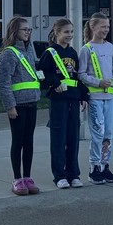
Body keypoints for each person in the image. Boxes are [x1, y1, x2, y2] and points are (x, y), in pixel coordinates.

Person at [0, 16, 42, 196]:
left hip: (32, 101)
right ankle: (17, 178)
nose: (27, 32)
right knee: (18, 141)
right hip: (18, 105)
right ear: (15, 31)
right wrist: (10, 106)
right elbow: (3, 83)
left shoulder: (29, 49)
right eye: (24, 29)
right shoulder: (8, 53)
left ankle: (28, 177)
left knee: (29, 141)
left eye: (29, 30)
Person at [40, 18, 87, 189]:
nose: (69, 35)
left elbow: (77, 75)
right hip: (58, 100)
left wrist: (83, 96)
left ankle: (73, 173)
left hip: (73, 99)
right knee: (59, 138)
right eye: (66, 32)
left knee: (73, 137)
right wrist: (54, 82)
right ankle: (59, 175)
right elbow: (42, 73)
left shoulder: (73, 53)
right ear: (57, 32)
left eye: (71, 32)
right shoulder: (50, 52)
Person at [79, 12, 113, 185]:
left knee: (108, 133)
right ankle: (94, 167)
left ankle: (104, 165)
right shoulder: (86, 49)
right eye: (103, 26)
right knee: (97, 133)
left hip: (109, 97)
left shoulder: (111, 47)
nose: (106, 30)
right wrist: (98, 82)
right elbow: (81, 74)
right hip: (95, 97)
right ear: (93, 27)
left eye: (108, 27)